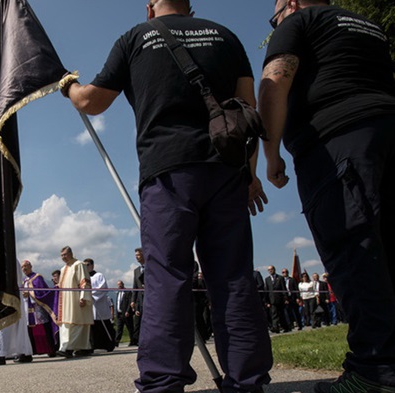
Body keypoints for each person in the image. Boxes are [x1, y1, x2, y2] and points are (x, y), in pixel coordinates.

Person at [62, 1, 273, 391]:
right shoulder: (226, 36)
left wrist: (68, 85)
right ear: (191, 8)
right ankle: (248, 381)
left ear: (149, 8)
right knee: (233, 278)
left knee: (166, 277)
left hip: (168, 173)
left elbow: (91, 102)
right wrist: (250, 175)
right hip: (226, 169)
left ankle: (163, 382)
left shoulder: (135, 38)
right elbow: (249, 111)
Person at [259, 0, 395, 391]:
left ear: (292, 3)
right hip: (384, 127)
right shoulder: (368, 24)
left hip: (335, 143)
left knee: (355, 247)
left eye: (275, 15)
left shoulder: (300, 21)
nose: (277, 21)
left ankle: (375, 372)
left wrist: (271, 157)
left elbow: (273, 83)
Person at [0, 259, 33, 366]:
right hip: (14, 294)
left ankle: (0, 355)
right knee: (18, 325)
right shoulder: (13, 259)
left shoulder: (4, 258)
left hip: (7, 295)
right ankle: (24, 352)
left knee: (4, 323)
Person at [55, 246, 93, 358]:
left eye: (65, 255)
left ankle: (69, 348)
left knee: (77, 323)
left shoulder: (79, 265)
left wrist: (83, 297)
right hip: (65, 300)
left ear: (71, 253)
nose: (63, 257)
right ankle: (77, 347)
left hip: (76, 299)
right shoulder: (63, 269)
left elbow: (84, 281)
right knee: (67, 323)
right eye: (62, 255)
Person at [21, 260, 57, 357]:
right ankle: (35, 350)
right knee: (31, 330)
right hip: (28, 309)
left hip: (38, 308)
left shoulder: (37, 277)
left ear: (30, 266)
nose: (24, 268)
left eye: (25, 266)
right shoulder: (24, 280)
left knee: (44, 328)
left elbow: (42, 292)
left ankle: (50, 350)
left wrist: (29, 293)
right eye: (22, 267)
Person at [85, 259, 115, 352]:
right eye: (84, 265)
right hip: (89, 305)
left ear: (92, 265)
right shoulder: (84, 278)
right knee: (93, 327)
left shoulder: (99, 276)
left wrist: (91, 295)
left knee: (104, 324)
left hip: (99, 304)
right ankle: (94, 345)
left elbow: (103, 287)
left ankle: (108, 344)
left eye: (88, 265)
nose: (86, 267)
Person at [264, 265, 291, 333]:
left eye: (271, 269)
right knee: (274, 314)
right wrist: (266, 302)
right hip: (272, 300)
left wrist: (286, 298)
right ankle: (276, 328)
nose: (270, 271)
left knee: (282, 314)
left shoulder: (280, 278)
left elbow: (283, 289)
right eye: (269, 270)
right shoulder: (267, 279)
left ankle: (286, 327)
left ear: (274, 269)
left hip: (280, 299)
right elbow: (267, 291)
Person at [130, 248, 145, 346]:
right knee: (138, 321)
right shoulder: (136, 271)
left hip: (150, 297)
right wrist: (133, 301)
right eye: (135, 256)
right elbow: (135, 286)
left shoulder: (152, 267)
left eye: (138, 255)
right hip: (140, 299)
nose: (137, 257)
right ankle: (138, 340)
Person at [114, 280, 134, 347]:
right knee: (119, 328)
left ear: (123, 284)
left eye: (120, 284)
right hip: (119, 314)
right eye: (118, 285)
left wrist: (128, 311)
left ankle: (133, 341)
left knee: (130, 328)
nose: (119, 286)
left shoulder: (128, 292)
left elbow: (129, 302)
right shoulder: (118, 293)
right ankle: (116, 342)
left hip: (126, 313)